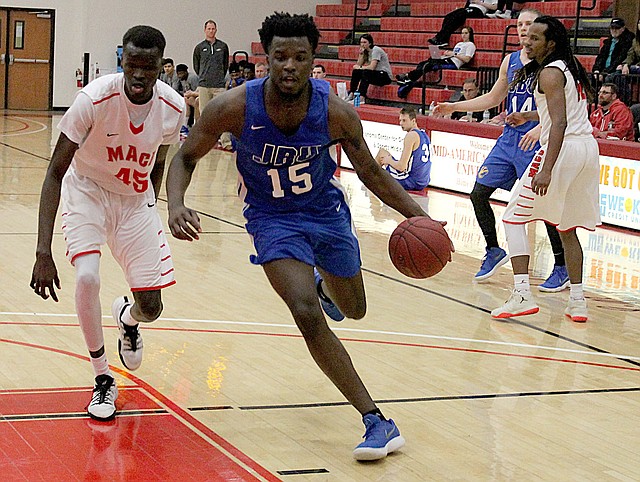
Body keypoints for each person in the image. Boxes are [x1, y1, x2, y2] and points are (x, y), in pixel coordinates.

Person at [166, 12, 447, 461]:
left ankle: (325, 286)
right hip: (271, 219)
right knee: (305, 312)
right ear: (267, 60)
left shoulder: (335, 111)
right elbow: (183, 158)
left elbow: (373, 174)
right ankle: (376, 420)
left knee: (354, 310)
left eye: (300, 56)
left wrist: (420, 218)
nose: (290, 65)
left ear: (314, 59)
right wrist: (176, 203)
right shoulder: (233, 107)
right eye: (280, 56)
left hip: (325, 214)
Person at [30, 25, 185, 421]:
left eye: (147, 67)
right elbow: (54, 174)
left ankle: (127, 319)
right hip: (88, 192)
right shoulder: (94, 100)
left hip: (134, 203)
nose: (138, 74)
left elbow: (161, 157)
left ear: (160, 67)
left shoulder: (173, 108)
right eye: (131, 64)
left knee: (152, 306)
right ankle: (102, 378)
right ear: (122, 61)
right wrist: (42, 251)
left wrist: (156, 201)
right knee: (87, 278)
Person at [434, 9, 569, 291]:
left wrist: (540, 127)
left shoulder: (552, 66)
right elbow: (494, 97)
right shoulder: (510, 61)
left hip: (534, 140)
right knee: (478, 193)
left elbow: (561, 110)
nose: (523, 30)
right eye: (519, 25)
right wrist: (454, 106)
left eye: (529, 25)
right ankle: (494, 249)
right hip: (509, 139)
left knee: (542, 207)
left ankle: (561, 266)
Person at [490, 16, 599, 321]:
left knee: (512, 218)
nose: (528, 41)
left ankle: (522, 294)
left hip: (562, 151)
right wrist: (528, 117)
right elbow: (560, 111)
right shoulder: (567, 67)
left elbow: (560, 123)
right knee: (567, 228)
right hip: (587, 150)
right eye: (528, 36)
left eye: (536, 38)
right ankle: (577, 301)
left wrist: (547, 168)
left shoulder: (549, 73)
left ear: (551, 44)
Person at [397, 27, 476, 99]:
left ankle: (409, 77)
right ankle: (409, 76)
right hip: (447, 58)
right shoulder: (459, 44)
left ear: (470, 34)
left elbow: (467, 59)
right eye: (462, 33)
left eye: (466, 33)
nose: (464, 35)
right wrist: (447, 53)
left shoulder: (471, 45)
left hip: (454, 63)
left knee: (429, 65)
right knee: (423, 63)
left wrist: (453, 54)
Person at [375, 107, 431, 190]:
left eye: (404, 120)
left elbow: (402, 167)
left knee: (382, 154)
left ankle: (369, 181)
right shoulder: (424, 135)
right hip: (424, 181)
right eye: (400, 120)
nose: (401, 123)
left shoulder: (411, 135)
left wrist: (389, 161)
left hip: (411, 181)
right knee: (385, 155)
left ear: (413, 121)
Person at [193, 20, 229, 114]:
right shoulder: (199, 47)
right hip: (204, 85)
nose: (211, 31)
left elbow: (225, 64)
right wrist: (203, 75)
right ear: (205, 30)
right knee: (204, 112)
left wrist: (220, 76)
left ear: (216, 30)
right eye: (209, 29)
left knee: (220, 111)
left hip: (219, 85)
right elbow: (196, 65)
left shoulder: (223, 46)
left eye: (213, 29)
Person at [428, 0, 498, 47]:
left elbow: (495, 7)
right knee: (449, 16)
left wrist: (479, 3)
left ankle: (441, 38)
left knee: (460, 15)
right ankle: (442, 38)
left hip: (479, 10)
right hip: (469, 8)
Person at [346, 34, 393, 104]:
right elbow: (358, 65)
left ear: (370, 43)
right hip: (374, 74)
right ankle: (352, 93)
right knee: (356, 72)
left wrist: (360, 67)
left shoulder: (376, 50)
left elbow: (372, 67)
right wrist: (361, 54)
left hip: (384, 76)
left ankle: (362, 97)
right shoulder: (366, 51)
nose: (362, 44)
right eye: (361, 42)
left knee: (366, 72)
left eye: (365, 42)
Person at [176, 63, 199, 128]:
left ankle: (195, 124)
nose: (180, 76)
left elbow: (197, 91)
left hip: (197, 96)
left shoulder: (192, 78)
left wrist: (190, 94)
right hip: (190, 96)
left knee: (192, 100)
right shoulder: (182, 80)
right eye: (178, 74)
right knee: (185, 100)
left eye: (181, 74)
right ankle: (184, 124)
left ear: (186, 72)